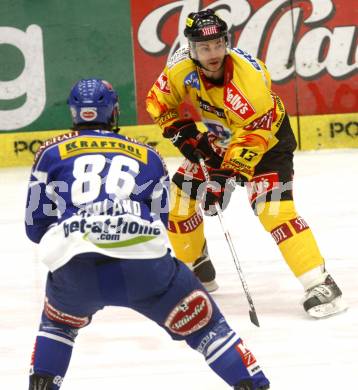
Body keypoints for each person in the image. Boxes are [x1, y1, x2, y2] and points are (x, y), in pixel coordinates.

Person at [25, 78, 270, 390]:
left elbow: (35, 228)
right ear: (114, 112)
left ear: (74, 114)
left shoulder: (49, 153)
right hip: (145, 266)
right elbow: (165, 218)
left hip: (77, 266)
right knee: (208, 329)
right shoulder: (148, 155)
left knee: (57, 324)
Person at [146, 9, 347, 318]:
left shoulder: (249, 81)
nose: (212, 54)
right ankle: (196, 269)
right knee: (180, 197)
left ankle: (320, 283)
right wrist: (182, 133)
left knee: (273, 210)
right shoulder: (180, 68)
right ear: (191, 49)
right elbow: (159, 102)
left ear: (227, 42)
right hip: (220, 139)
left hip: (267, 142)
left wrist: (222, 177)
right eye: (204, 47)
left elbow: (254, 137)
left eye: (217, 45)